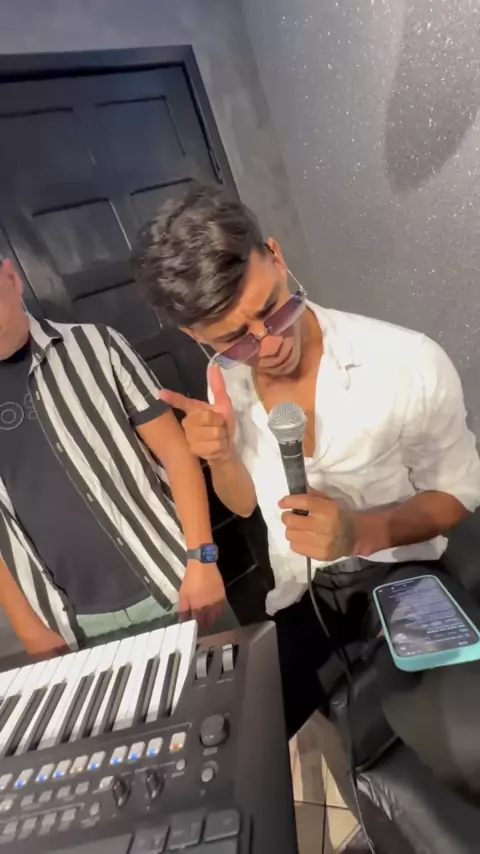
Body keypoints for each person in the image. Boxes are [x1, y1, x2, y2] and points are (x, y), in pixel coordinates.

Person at [132, 184, 480, 792]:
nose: (268, 344)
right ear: (195, 336)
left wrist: (359, 530)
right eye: (236, 339)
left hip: (401, 571)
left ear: (276, 256)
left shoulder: (407, 362)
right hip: (299, 594)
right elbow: (244, 503)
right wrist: (220, 458)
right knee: (217, 756)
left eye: (273, 308)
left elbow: (458, 495)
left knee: (468, 742)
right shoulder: (222, 379)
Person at [0, 258, 225, 656]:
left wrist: (203, 560)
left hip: (177, 585)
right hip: (74, 628)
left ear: (11, 277)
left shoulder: (98, 346)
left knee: (231, 688)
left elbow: (177, 454)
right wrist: (29, 629)